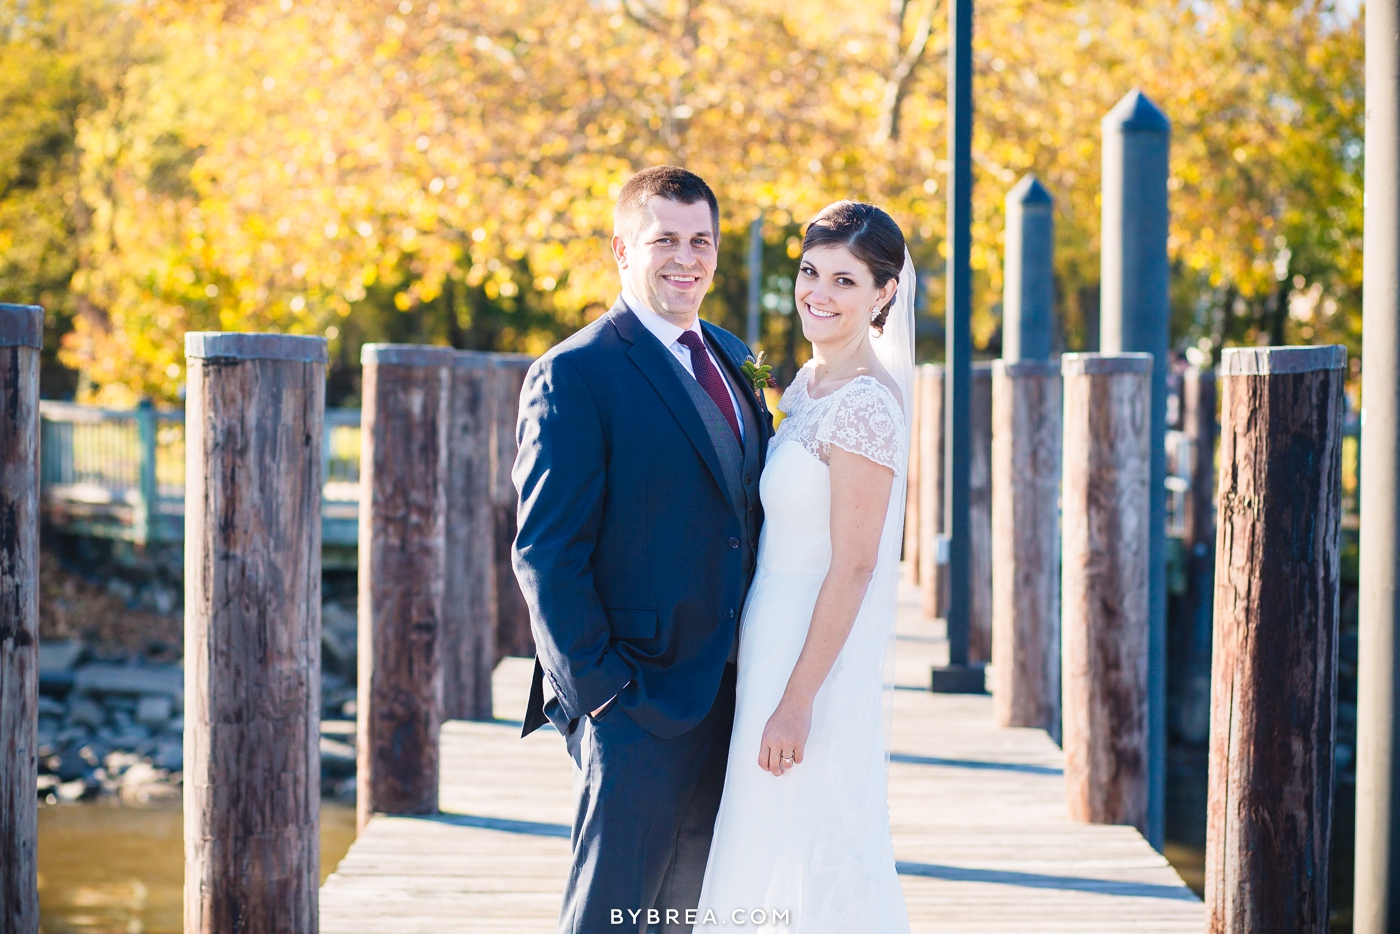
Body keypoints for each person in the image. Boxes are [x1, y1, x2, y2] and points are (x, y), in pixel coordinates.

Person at [512, 165, 773, 934]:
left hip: (732, 689)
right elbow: (546, 554)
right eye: (665, 240)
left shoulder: (731, 356)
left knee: (689, 909)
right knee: (611, 915)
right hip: (635, 699)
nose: (686, 258)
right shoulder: (574, 373)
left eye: (701, 240)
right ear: (621, 249)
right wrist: (601, 695)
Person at [695, 201, 915, 932]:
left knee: (803, 828)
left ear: (884, 294)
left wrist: (797, 701)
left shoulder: (865, 405)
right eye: (810, 272)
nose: (818, 292)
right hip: (769, 633)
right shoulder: (808, 385)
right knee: (765, 829)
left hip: (811, 657)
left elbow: (854, 566)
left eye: (845, 281)